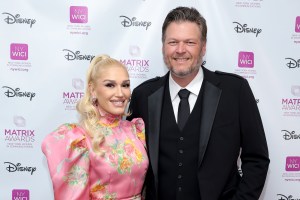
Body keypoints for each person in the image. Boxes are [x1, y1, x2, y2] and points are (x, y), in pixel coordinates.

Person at [127, 6, 269, 200]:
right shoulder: (143, 95)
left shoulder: (235, 91)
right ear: (163, 47)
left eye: (190, 42)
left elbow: (257, 159)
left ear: (203, 47)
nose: (180, 50)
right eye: (173, 42)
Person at [42, 55, 149, 200]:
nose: (120, 93)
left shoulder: (135, 130)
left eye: (125, 85)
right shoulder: (78, 138)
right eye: (110, 85)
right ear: (92, 90)